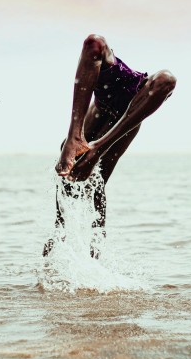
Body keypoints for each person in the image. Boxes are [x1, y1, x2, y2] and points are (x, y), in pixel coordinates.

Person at [43, 34, 176, 257]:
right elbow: (92, 44)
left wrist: (98, 149)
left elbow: (166, 83)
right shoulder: (102, 65)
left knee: (97, 182)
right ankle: (59, 232)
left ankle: (96, 245)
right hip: (98, 113)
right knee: (71, 177)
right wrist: (74, 135)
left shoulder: (133, 84)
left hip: (125, 123)